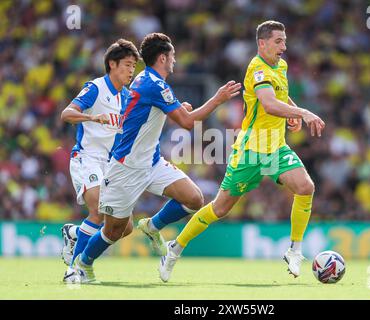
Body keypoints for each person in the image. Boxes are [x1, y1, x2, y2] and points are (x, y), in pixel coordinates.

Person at [158, 20, 326, 282]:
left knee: (305, 187)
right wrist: (302, 112)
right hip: (250, 151)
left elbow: (280, 97)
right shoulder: (257, 69)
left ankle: (294, 250)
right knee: (220, 208)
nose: (284, 46)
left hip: (276, 147)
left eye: (285, 40)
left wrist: (291, 111)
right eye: (278, 41)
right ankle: (175, 247)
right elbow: (269, 104)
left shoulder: (280, 65)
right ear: (262, 43)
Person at [72, 33, 242, 283]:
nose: (175, 60)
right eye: (172, 55)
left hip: (151, 162)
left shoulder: (149, 81)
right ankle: (82, 264)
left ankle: (152, 226)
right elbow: (186, 123)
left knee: (194, 198)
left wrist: (177, 108)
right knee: (114, 229)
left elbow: (154, 115)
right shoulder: (154, 84)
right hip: (126, 166)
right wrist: (218, 99)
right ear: (163, 57)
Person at [60, 39, 139, 283]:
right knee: (97, 210)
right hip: (87, 158)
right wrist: (93, 117)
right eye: (127, 64)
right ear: (112, 64)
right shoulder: (95, 88)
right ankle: (74, 269)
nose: (131, 71)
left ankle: (74, 233)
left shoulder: (127, 97)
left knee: (124, 228)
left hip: (111, 165)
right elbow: (66, 114)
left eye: (134, 66)